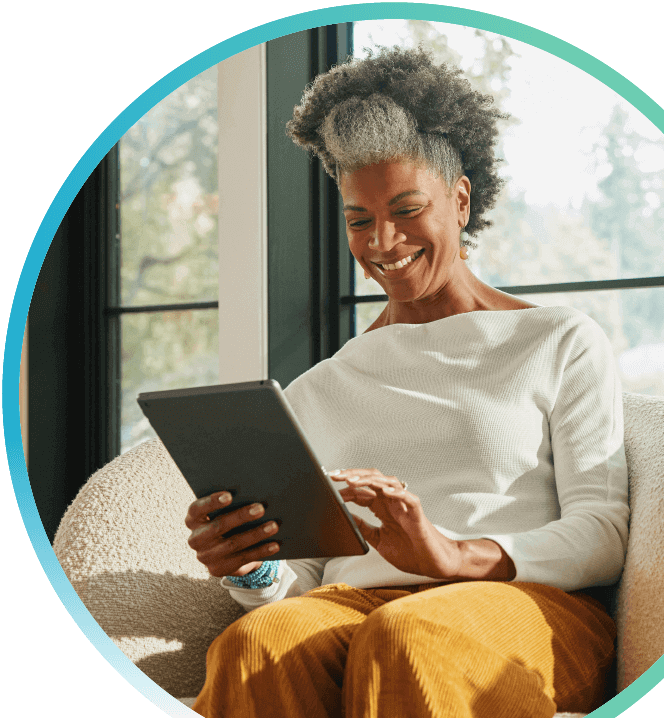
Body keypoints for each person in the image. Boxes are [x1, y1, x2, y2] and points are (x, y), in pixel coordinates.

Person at [188, 44, 629, 718]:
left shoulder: (558, 340)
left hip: (524, 605)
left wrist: (453, 556)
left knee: (407, 638)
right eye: (359, 220)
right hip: (353, 603)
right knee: (256, 643)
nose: (383, 243)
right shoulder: (321, 387)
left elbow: (602, 531)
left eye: (406, 209)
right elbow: (301, 580)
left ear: (459, 200)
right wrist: (250, 566)